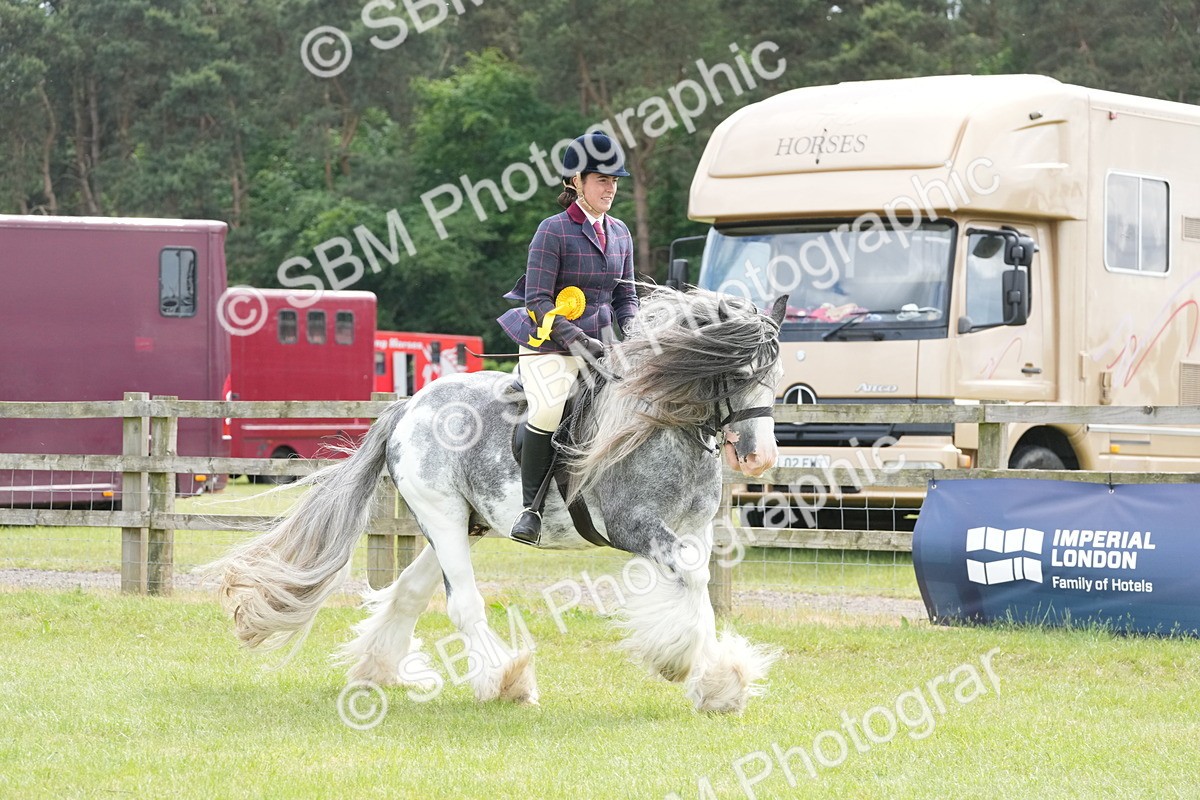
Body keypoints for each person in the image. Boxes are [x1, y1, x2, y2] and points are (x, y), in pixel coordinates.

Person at [496, 131, 640, 544]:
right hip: (550, 344)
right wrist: (579, 340)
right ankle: (531, 510)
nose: (610, 188)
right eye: (601, 180)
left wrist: (629, 337)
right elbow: (538, 299)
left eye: (615, 181)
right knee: (548, 410)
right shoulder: (553, 231)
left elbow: (624, 296)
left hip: (606, 346)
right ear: (575, 182)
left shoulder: (622, 233)